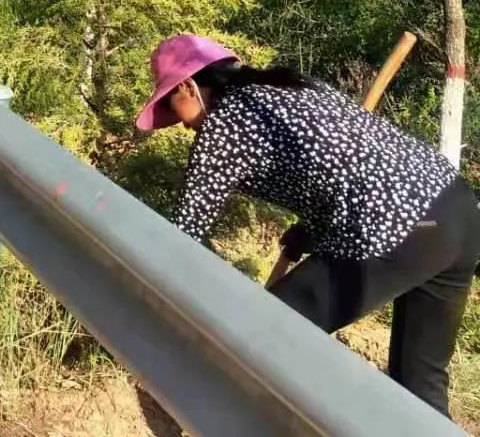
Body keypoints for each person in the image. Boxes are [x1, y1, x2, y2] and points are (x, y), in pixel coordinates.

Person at [136, 34, 480, 418]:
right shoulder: (290, 85)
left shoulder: (224, 123)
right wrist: (309, 232)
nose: (179, 125)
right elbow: (337, 165)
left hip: (395, 224)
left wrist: (144, 303)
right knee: (421, 386)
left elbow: (184, 234)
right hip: (456, 211)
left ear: (187, 86)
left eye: (169, 104)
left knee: (267, 338)